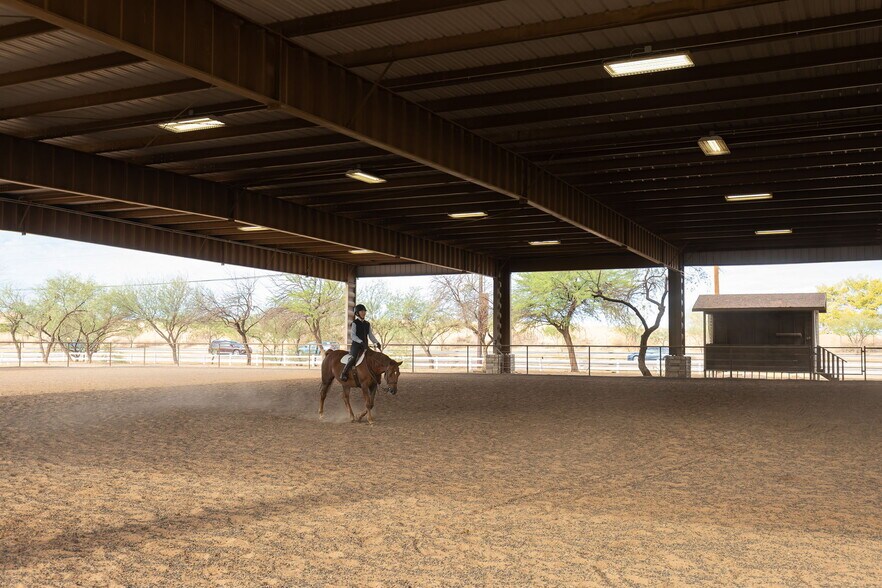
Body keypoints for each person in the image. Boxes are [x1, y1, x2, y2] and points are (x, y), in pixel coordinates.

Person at [340, 303, 381, 381]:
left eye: (364, 311)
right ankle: (343, 373)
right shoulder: (354, 323)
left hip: (365, 346)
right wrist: (361, 341)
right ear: (357, 313)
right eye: (361, 311)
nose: (364, 313)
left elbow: (371, 335)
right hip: (356, 346)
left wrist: (376, 342)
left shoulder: (367, 324)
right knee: (353, 358)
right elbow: (353, 336)